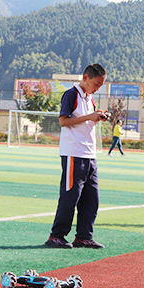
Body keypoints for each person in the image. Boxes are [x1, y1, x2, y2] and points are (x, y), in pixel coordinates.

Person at [45, 64, 108, 249]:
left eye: (100, 86)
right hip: (74, 152)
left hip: (89, 153)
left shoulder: (90, 98)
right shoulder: (71, 94)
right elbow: (63, 121)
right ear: (86, 77)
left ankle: (84, 236)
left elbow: (85, 120)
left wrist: (97, 117)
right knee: (70, 196)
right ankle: (56, 235)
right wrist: (89, 116)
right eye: (96, 84)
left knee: (91, 198)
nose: (97, 88)